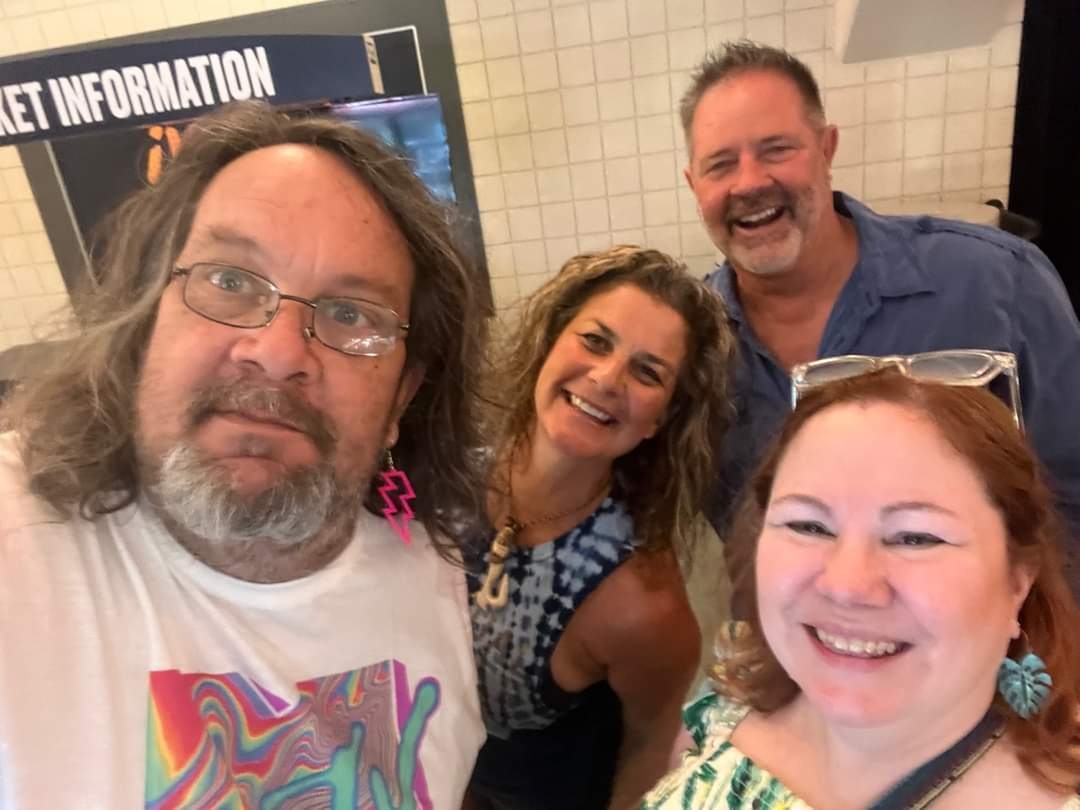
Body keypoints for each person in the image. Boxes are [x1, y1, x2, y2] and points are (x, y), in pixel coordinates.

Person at [0, 101, 488, 807]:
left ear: (400, 400)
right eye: (230, 280)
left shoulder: (428, 561)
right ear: (144, 317)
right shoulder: (21, 547)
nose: (280, 352)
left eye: (350, 314)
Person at [679, 41, 1080, 599]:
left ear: (826, 149)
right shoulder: (688, 346)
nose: (748, 183)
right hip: (796, 643)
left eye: (776, 150)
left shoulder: (996, 282)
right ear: (694, 185)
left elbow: (1072, 496)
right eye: (721, 165)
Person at [643, 366, 1080, 809]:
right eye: (808, 526)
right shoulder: (727, 697)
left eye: (915, 537)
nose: (846, 585)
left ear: (1018, 581)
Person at [464, 246, 737, 809]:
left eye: (647, 372)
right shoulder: (445, 484)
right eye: (594, 340)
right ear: (549, 341)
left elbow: (648, 754)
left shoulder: (641, 603)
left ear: (661, 418)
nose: (608, 378)